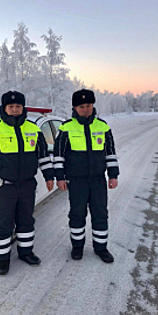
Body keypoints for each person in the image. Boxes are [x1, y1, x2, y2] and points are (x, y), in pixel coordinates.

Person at [0, 90, 54, 275]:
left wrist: (49, 176)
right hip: (4, 187)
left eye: (18, 106)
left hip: (27, 185)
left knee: (26, 220)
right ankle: (2, 259)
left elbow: (42, 156)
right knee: (3, 223)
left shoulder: (33, 129)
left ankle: (26, 252)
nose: (15, 110)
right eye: (11, 107)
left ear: (22, 107)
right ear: (4, 108)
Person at [53, 89, 119, 263]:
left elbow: (110, 153)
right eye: (81, 106)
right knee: (77, 214)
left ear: (93, 105)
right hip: (77, 181)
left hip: (98, 180)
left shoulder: (103, 126)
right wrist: (59, 177)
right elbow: (58, 155)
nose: (85, 109)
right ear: (75, 108)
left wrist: (113, 175)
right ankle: (77, 247)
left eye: (88, 105)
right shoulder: (66, 128)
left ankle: (101, 248)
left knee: (100, 214)